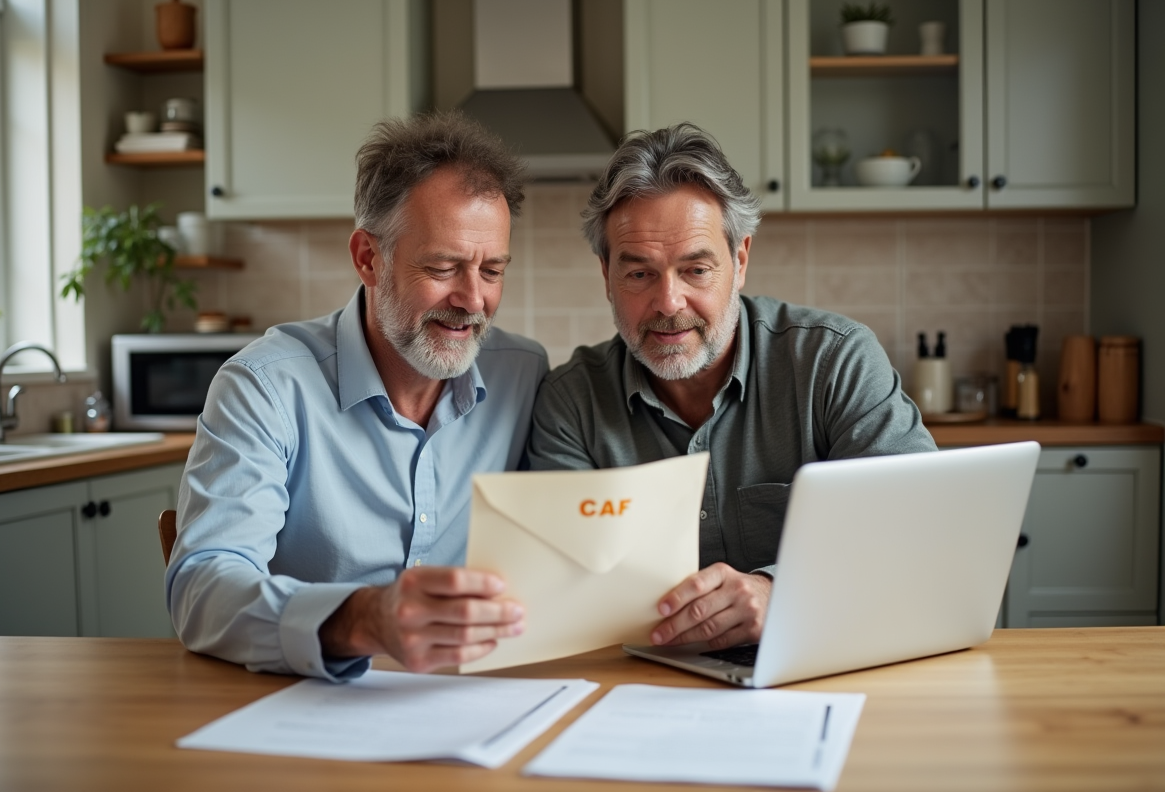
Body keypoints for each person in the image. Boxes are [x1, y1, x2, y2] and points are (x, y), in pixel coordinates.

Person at [528, 123, 936, 653]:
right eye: (639, 276)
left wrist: (779, 591)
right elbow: (566, 591)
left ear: (739, 260)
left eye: (695, 269)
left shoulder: (836, 362)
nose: (668, 303)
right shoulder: (569, 405)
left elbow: (917, 533)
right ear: (606, 274)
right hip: (648, 688)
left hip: (823, 666)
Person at [166, 112, 546, 680]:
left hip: (479, 701)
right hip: (307, 711)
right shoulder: (265, 388)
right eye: (443, 266)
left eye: (492, 270)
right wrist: (364, 619)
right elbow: (203, 588)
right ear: (369, 257)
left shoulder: (525, 375)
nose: (473, 299)